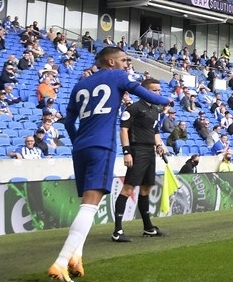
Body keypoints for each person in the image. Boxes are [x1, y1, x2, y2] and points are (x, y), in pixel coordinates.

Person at [49, 47, 172, 281]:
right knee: (90, 205)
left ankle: (76, 255)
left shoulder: (79, 85)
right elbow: (150, 97)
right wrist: (167, 99)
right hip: (101, 146)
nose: (127, 63)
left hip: (81, 147)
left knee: (87, 203)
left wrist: (78, 142)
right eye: (124, 60)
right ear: (111, 61)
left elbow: (67, 122)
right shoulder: (117, 76)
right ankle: (61, 262)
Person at [112, 78, 167, 243]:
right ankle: (117, 230)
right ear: (145, 91)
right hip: (137, 151)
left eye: (159, 90)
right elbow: (123, 130)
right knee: (128, 189)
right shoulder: (133, 108)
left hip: (150, 151)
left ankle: (148, 228)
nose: (158, 93)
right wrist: (127, 152)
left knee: (145, 189)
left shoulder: (155, 110)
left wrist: (160, 144)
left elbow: (155, 131)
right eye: (155, 90)